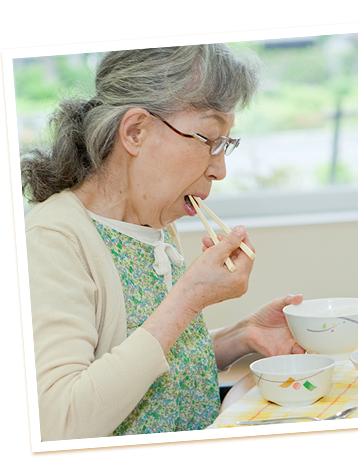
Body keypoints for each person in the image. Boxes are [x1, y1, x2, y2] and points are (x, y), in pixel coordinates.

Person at [21, 44, 306, 441]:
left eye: (225, 144)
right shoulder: (52, 242)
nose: (220, 169)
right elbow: (59, 423)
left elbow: (149, 369)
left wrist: (242, 336)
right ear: (135, 131)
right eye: (208, 138)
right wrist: (187, 298)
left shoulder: (154, 224)